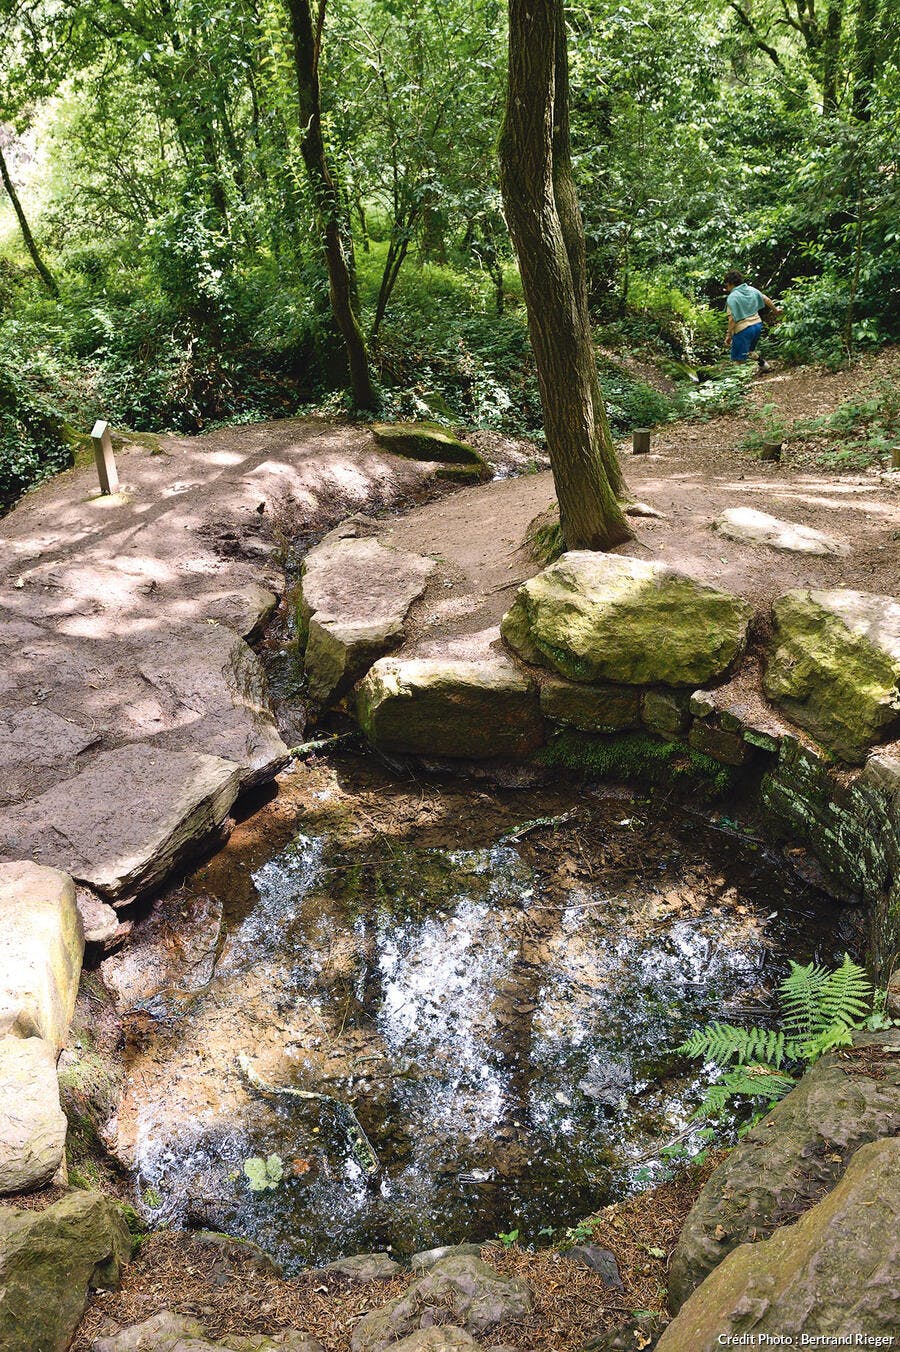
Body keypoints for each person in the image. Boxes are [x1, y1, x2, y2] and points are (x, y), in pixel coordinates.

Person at [723, 270, 781, 370]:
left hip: (743, 329)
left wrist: (729, 335)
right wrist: (775, 310)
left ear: (730, 283)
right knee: (749, 351)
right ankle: (765, 366)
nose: (726, 287)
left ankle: (739, 379)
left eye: (726, 284)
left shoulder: (732, 297)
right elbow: (765, 299)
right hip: (757, 325)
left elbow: (732, 319)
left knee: (738, 359)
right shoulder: (751, 289)